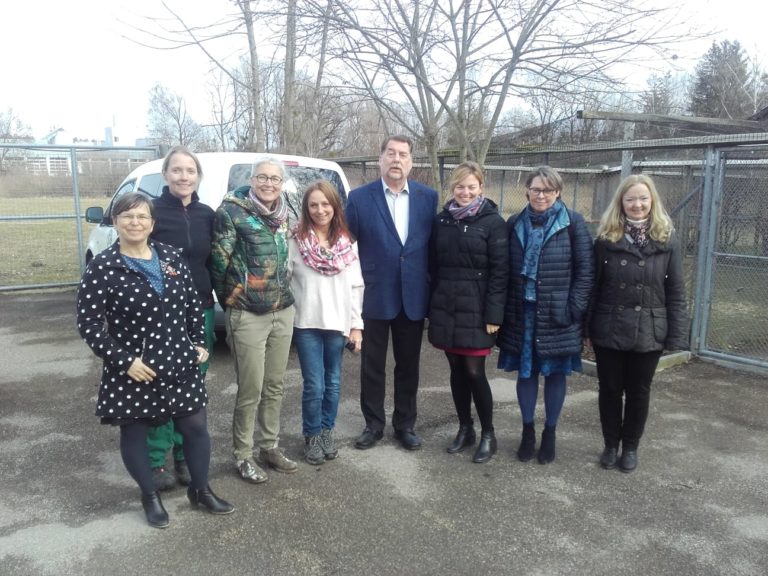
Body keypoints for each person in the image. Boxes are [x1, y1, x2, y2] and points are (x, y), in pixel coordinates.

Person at [76, 192, 234, 529]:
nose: (135, 222)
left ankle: (201, 489)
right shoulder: (103, 267)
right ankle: (149, 495)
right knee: (135, 434)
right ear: (116, 221)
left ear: (152, 222)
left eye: (142, 217)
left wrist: (198, 341)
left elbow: (193, 302)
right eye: (128, 216)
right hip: (135, 368)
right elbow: (89, 325)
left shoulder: (171, 256)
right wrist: (123, 361)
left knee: (196, 429)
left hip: (180, 361)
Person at [587, 174, 688, 473]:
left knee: (639, 391)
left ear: (652, 201)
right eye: (630, 199)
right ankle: (610, 445)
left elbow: (677, 290)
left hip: (649, 328)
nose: (637, 204)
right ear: (621, 202)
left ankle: (630, 447)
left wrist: (676, 335)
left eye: (643, 198)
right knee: (609, 389)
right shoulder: (606, 239)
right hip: (609, 326)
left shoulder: (667, 238)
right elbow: (594, 286)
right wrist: (586, 329)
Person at [345, 135, 438, 451]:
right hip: (375, 295)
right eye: (391, 153)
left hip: (413, 297)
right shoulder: (358, 199)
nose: (397, 159)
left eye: (403, 154)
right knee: (372, 366)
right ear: (380, 159)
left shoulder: (428, 198)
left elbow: (434, 248)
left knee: (408, 365)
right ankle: (373, 425)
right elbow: (345, 247)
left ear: (411, 160)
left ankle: (405, 425)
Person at [497, 166, 594, 465]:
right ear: (527, 190)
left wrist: (573, 309)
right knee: (526, 373)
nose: (541, 195)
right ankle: (528, 432)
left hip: (558, 314)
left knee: (554, 374)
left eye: (548, 190)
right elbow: (504, 269)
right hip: (522, 312)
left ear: (558, 193)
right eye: (536, 189)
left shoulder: (573, 223)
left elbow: (586, 272)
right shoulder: (514, 223)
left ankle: (550, 433)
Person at [211, 157, 298, 483]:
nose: (269, 184)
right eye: (263, 177)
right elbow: (219, 262)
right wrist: (233, 300)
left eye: (275, 179)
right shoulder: (231, 211)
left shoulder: (285, 212)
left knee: (274, 386)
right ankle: (243, 455)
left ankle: (269, 447)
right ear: (252, 179)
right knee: (251, 389)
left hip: (282, 310)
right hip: (247, 313)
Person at [427, 162, 509, 463]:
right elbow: (432, 265)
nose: (465, 192)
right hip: (446, 305)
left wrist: (494, 315)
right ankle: (466, 428)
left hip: (477, 307)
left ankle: (489, 433)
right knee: (456, 371)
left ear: (480, 188)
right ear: (453, 188)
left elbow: (501, 273)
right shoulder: (441, 220)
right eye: (460, 186)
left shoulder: (493, 222)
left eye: (471, 186)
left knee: (474, 371)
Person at [147, 146, 215, 491]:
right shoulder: (152, 212)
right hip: (162, 316)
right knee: (161, 386)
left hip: (200, 311)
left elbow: (215, 261)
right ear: (165, 175)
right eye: (177, 170)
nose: (183, 176)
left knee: (192, 386)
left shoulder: (207, 214)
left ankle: (185, 454)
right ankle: (157, 460)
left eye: (190, 171)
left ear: (197, 176)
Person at [288, 180, 364, 465]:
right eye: (314, 205)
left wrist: (356, 326)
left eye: (325, 204)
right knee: (314, 385)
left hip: (338, 325)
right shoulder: (295, 242)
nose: (320, 210)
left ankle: (327, 431)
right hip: (306, 324)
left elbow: (357, 287)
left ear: (335, 206)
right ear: (307, 209)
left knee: (332, 383)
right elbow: (284, 281)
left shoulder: (347, 244)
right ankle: (311, 435)